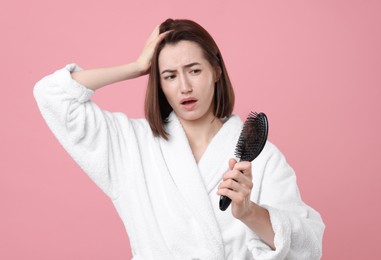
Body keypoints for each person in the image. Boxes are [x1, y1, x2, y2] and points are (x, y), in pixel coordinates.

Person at [33, 18, 325, 260]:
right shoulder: (132, 145)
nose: (184, 86)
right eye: (170, 76)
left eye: (194, 71)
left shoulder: (262, 157)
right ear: (158, 83)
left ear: (216, 71)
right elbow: (52, 95)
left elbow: (307, 248)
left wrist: (249, 213)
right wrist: (136, 66)